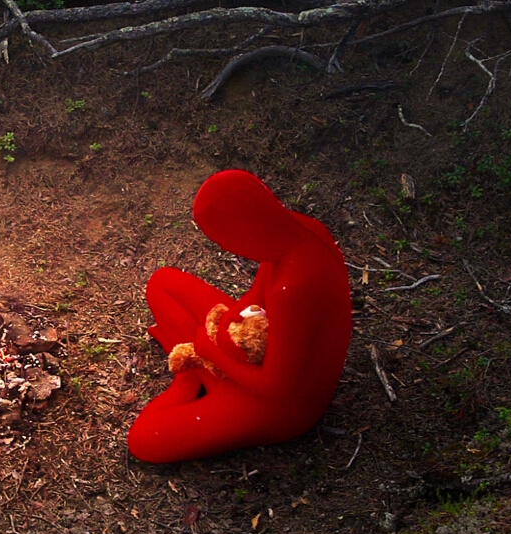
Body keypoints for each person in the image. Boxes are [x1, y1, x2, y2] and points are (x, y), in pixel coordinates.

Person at [127, 170, 352, 463]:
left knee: (144, 440)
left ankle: (189, 378)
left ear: (248, 227)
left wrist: (212, 353)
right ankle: (198, 367)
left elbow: (276, 388)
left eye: (229, 241)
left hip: (281, 404)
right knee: (162, 284)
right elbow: (257, 295)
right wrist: (230, 319)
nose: (229, 249)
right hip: (258, 345)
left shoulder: (293, 289)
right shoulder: (295, 231)